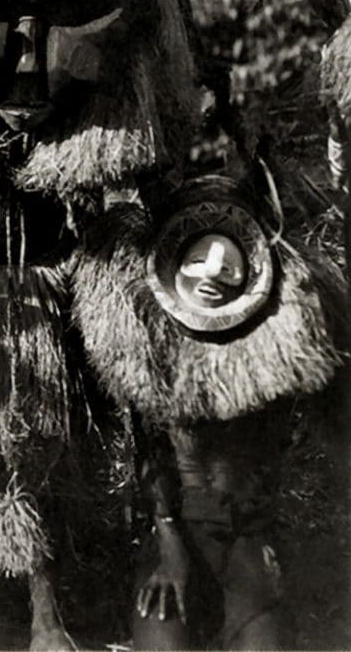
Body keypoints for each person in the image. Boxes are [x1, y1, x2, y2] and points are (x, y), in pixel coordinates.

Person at [72, 174, 346, 650]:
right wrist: (169, 548)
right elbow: (150, 456)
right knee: (161, 634)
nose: (209, 277)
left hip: (248, 536)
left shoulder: (278, 346)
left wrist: (259, 544)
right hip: (177, 531)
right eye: (197, 260)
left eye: (225, 266)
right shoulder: (151, 351)